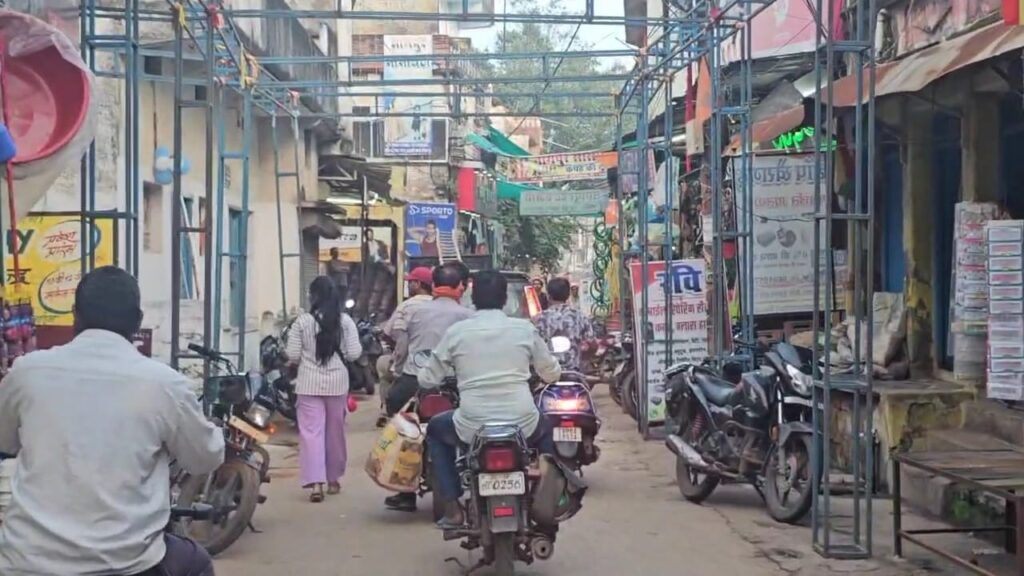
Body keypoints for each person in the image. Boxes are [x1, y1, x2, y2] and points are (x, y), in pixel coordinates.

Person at [0, 266, 224, 576]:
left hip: (27, 561)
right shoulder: (165, 385)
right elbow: (205, 458)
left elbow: (5, 441)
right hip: (126, 563)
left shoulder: (27, 372)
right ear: (138, 321)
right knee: (196, 562)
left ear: (75, 314)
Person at [420, 270, 562, 528]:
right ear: (505, 298)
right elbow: (551, 373)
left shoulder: (456, 333)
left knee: (435, 430)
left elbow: (428, 379)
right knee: (548, 426)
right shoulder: (524, 329)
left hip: (471, 425)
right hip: (523, 422)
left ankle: (452, 507)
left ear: (472, 297)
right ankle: (547, 489)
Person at [384, 265, 473, 512]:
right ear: (460, 288)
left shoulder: (414, 312)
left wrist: (397, 371)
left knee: (401, 424)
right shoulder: (468, 316)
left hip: (415, 380)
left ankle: (405, 491)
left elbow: (402, 346)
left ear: (433, 286)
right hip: (454, 383)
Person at [285, 276, 362, 503]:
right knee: (335, 432)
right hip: (337, 384)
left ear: (313, 296)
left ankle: (315, 483)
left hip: (308, 383)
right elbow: (354, 353)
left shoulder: (302, 322)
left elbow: (292, 355)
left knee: (311, 433)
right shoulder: (345, 322)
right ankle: (333, 479)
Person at [375, 266, 434, 427]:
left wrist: (396, 364)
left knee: (382, 365)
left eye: (411, 282)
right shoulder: (439, 305)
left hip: (409, 369)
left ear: (418, 284)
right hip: (435, 368)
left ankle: (386, 411)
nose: (408, 285)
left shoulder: (406, 306)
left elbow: (392, 335)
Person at [534, 277, 595, 373]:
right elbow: (592, 344)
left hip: (548, 373)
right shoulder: (580, 316)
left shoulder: (539, 318)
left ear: (549, 296)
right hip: (575, 371)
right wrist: (584, 360)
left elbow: (533, 346)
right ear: (568, 295)